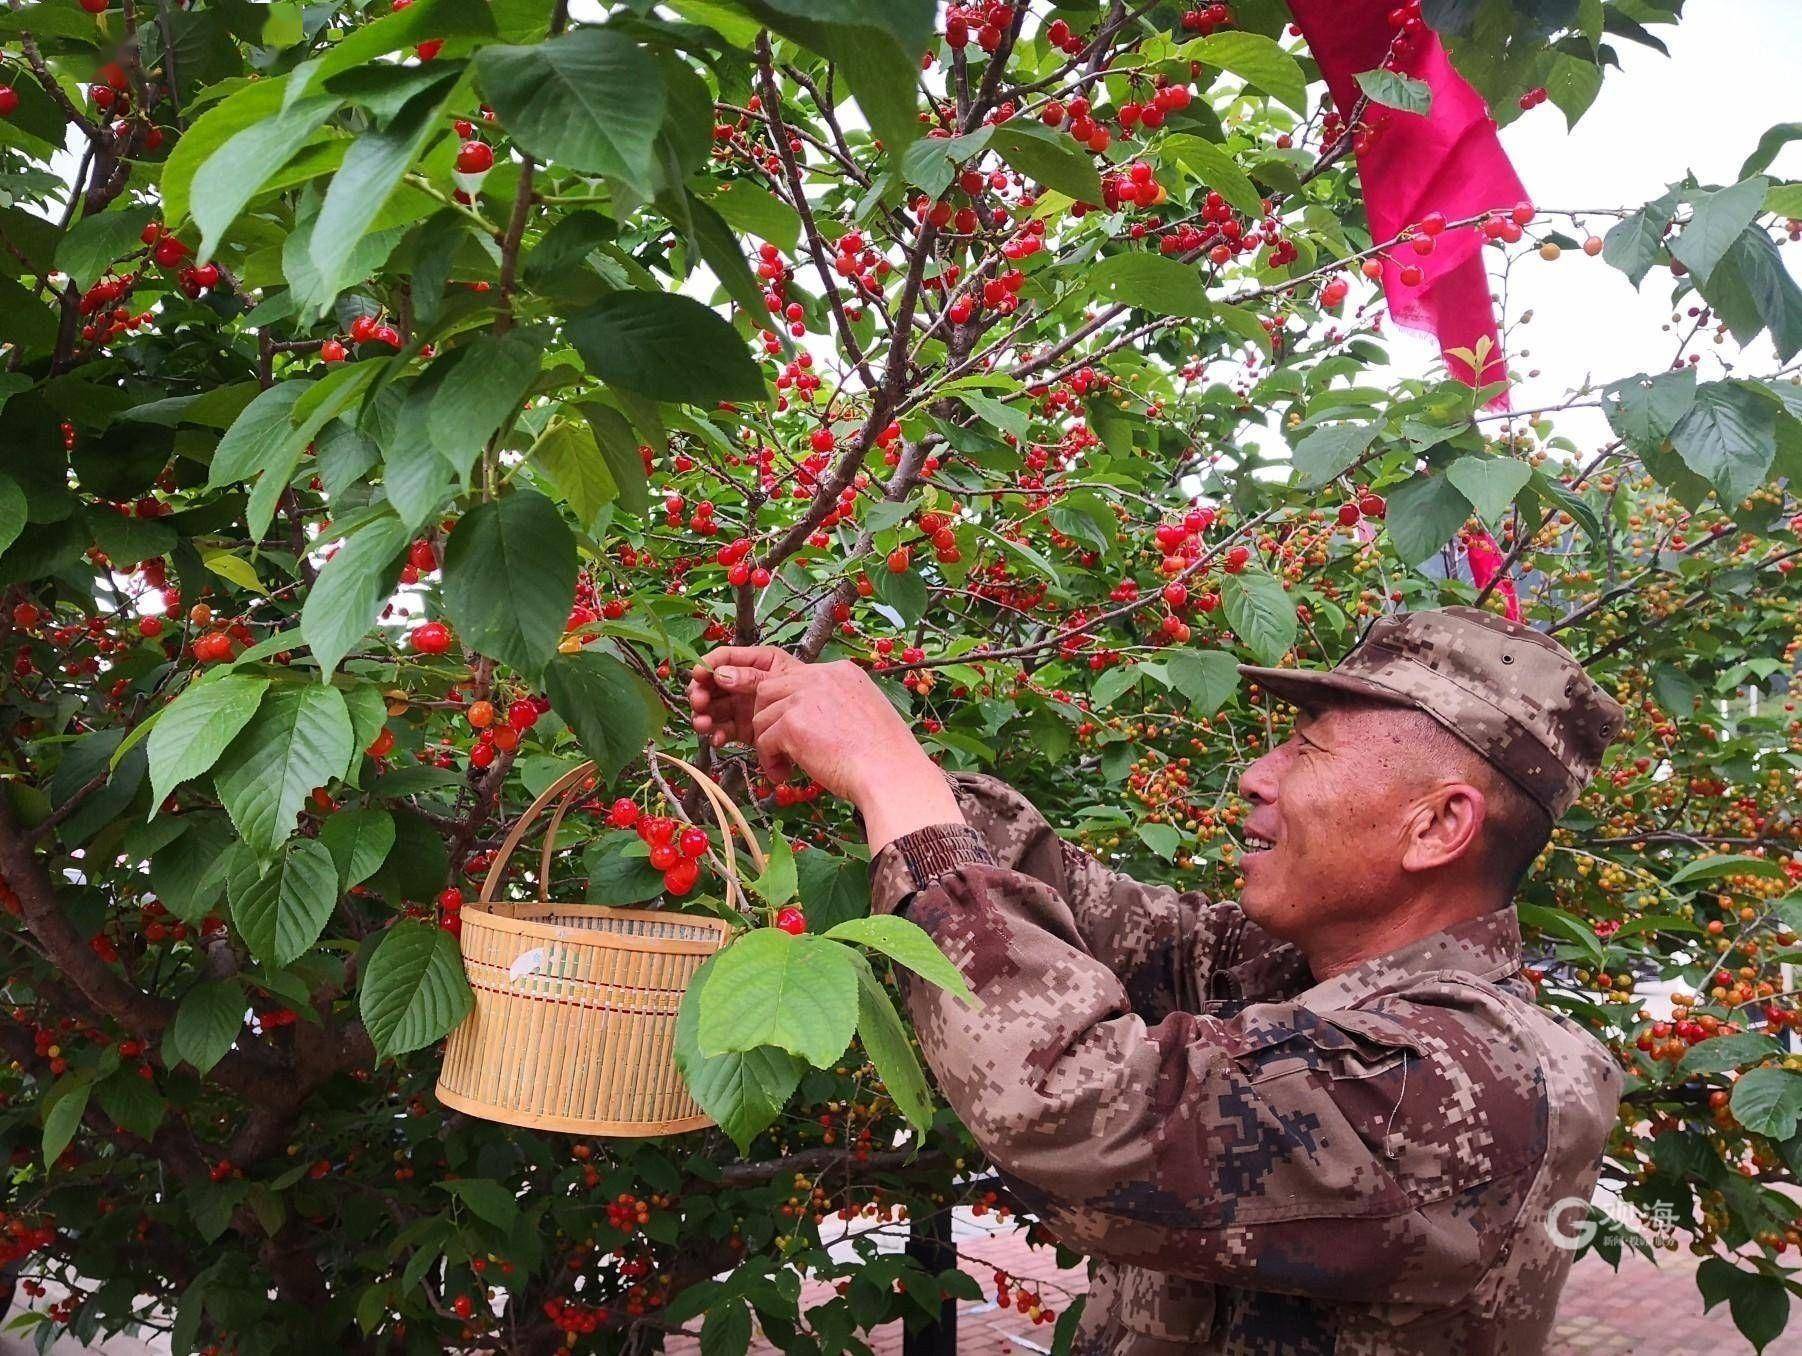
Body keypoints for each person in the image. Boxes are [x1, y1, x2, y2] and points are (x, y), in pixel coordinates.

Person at [686, 606, 1627, 1355]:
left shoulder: (1467, 1076)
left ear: (1436, 827)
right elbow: (1081, 906)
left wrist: (893, 780)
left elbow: (1074, 1102)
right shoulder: (1288, 974)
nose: (1257, 774)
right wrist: (855, 749)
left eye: (1307, 746)